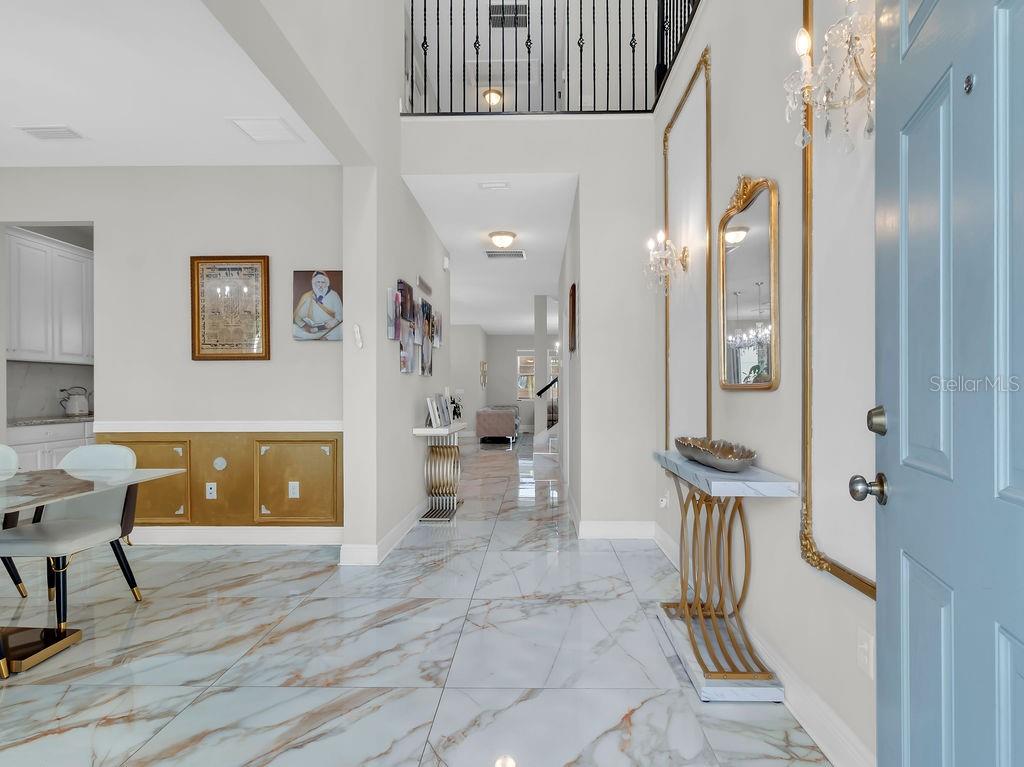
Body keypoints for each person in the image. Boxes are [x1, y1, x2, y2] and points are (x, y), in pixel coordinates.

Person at [293, 271, 342, 340]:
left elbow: (340, 316)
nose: (320, 285)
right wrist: (306, 327)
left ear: (327, 284)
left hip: (331, 329)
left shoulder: (334, 295)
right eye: (318, 282)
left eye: (323, 282)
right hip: (312, 330)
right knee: (293, 329)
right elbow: (298, 318)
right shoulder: (308, 296)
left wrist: (327, 325)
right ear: (314, 284)